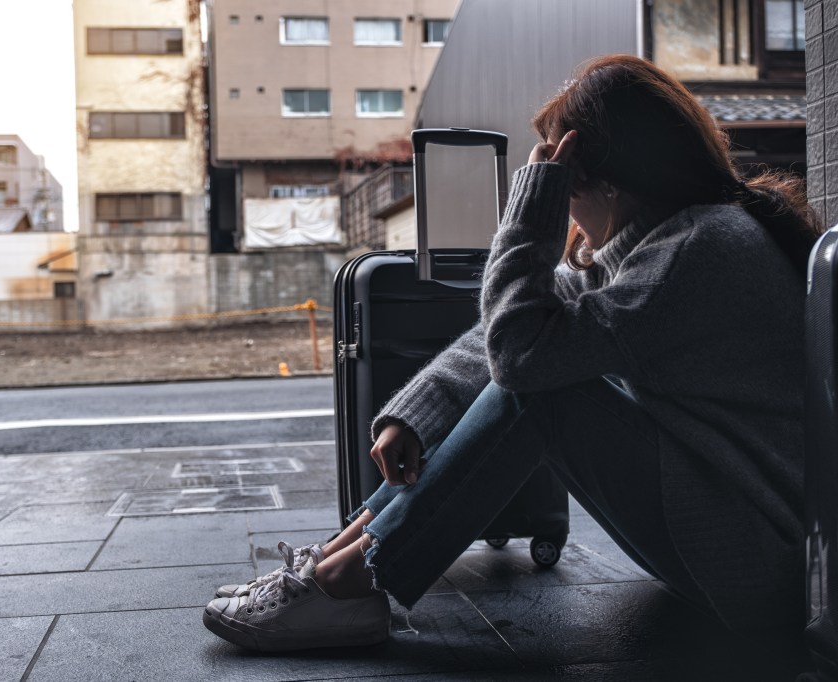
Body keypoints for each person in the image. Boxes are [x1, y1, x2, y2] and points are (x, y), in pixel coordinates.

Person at [202, 54, 823, 652]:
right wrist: (416, 411)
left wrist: (531, 210)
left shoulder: (694, 252)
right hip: (727, 533)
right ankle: (335, 565)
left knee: (539, 387)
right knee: (530, 369)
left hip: (752, 560)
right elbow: (522, 326)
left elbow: (522, 355)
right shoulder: (672, 238)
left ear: (598, 180)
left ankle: (349, 585)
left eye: (562, 182)